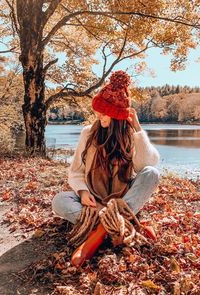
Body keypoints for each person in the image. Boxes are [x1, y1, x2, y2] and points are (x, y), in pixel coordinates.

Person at [52, 70, 160, 267]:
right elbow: (75, 171)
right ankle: (120, 224)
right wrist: (83, 192)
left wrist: (137, 128)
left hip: (123, 201)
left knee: (152, 174)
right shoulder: (88, 133)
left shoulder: (129, 135)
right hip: (94, 202)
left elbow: (148, 164)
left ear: (116, 115)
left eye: (104, 111)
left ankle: (99, 232)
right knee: (59, 201)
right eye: (98, 110)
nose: (98, 114)